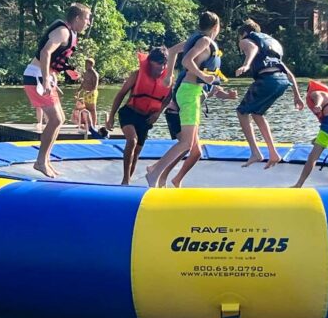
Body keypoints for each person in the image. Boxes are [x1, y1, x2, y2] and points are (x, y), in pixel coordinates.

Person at [146, 11, 222, 188]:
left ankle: (159, 172)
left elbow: (172, 51)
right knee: (186, 142)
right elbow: (187, 61)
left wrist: (169, 75)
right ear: (215, 27)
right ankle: (155, 172)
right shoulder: (204, 41)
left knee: (193, 147)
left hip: (189, 91)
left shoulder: (194, 40)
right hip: (190, 92)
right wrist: (204, 76)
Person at [29, 2, 92, 178]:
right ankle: (40, 161)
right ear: (77, 18)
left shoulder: (70, 33)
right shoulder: (63, 31)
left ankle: (45, 160)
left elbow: (56, 59)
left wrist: (65, 71)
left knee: (59, 119)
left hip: (44, 77)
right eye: (87, 19)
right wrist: (45, 79)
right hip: (35, 76)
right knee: (56, 119)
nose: (88, 23)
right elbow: (45, 53)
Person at [235, 20, 305, 167]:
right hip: (282, 81)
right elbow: (289, 74)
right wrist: (297, 96)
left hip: (267, 80)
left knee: (242, 112)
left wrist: (246, 65)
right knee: (257, 114)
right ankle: (273, 153)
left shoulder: (246, 40)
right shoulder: (270, 49)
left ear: (244, 33)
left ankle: (255, 152)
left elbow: (252, 48)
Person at [106, 47, 172, 185]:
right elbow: (121, 94)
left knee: (137, 152)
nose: (162, 67)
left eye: (164, 64)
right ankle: (125, 180)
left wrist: (158, 113)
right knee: (132, 140)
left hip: (146, 119)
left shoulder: (167, 79)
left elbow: (168, 98)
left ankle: (128, 181)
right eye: (159, 63)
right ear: (151, 62)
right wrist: (111, 116)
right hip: (129, 113)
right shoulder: (137, 75)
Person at [291, 80, 328, 187]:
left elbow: (319, 97)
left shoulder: (315, 92)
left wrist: (317, 104)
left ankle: (298, 184)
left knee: (313, 156)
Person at [78, 58, 100, 127]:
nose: (85, 65)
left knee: (92, 109)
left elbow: (95, 86)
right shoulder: (86, 73)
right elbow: (83, 82)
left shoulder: (94, 74)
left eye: (86, 64)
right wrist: (79, 90)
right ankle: (87, 124)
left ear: (91, 65)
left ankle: (93, 124)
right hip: (86, 92)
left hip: (92, 93)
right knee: (85, 109)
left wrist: (89, 92)